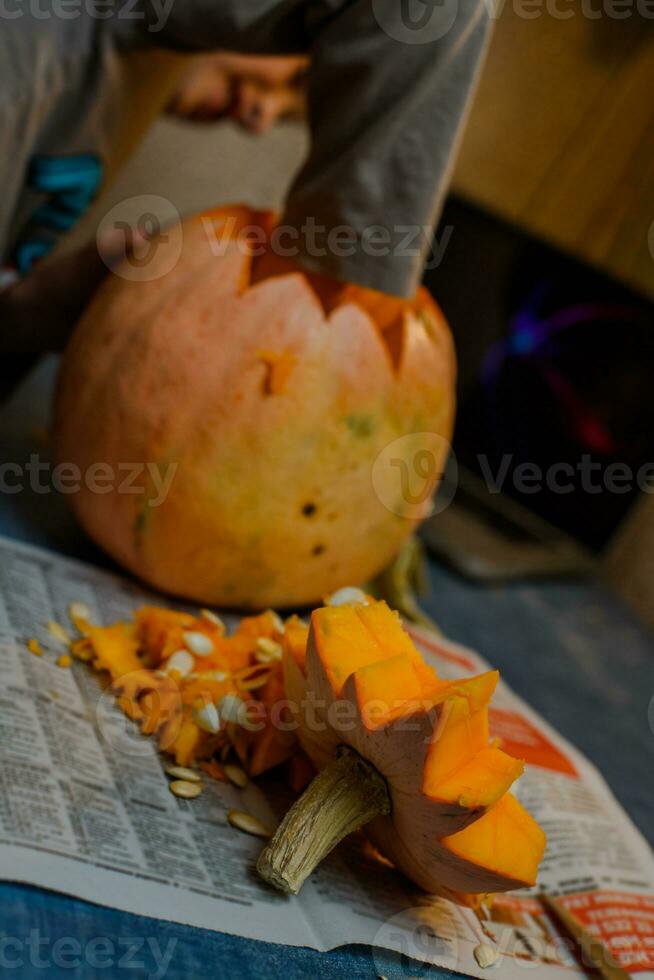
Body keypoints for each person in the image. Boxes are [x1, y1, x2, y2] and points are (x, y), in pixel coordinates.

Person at [0, 0, 490, 364]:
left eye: (286, 117)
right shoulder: (30, 49)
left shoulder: (128, 76)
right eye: (294, 79)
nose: (261, 117)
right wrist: (336, 309)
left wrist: (44, 303)